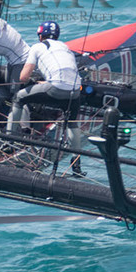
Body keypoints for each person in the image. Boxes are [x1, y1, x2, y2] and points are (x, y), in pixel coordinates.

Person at [10, 21, 85, 173]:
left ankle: (9, 140)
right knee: (72, 123)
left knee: (18, 98)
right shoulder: (65, 47)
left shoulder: (37, 47)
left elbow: (23, 78)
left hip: (55, 89)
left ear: (40, 36)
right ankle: (76, 162)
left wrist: (32, 80)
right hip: (75, 90)